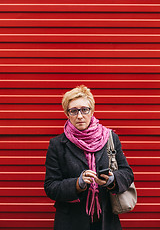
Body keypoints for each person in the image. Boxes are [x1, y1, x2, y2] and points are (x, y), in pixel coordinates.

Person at [44, 85, 134, 230]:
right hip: (70, 222)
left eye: (84, 110)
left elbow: (127, 173)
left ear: (92, 111)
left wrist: (112, 180)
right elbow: (50, 186)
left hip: (106, 221)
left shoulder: (110, 138)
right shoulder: (57, 145)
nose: (79, 116)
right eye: (73, 111)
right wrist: (77, 184)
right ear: (67, 114)